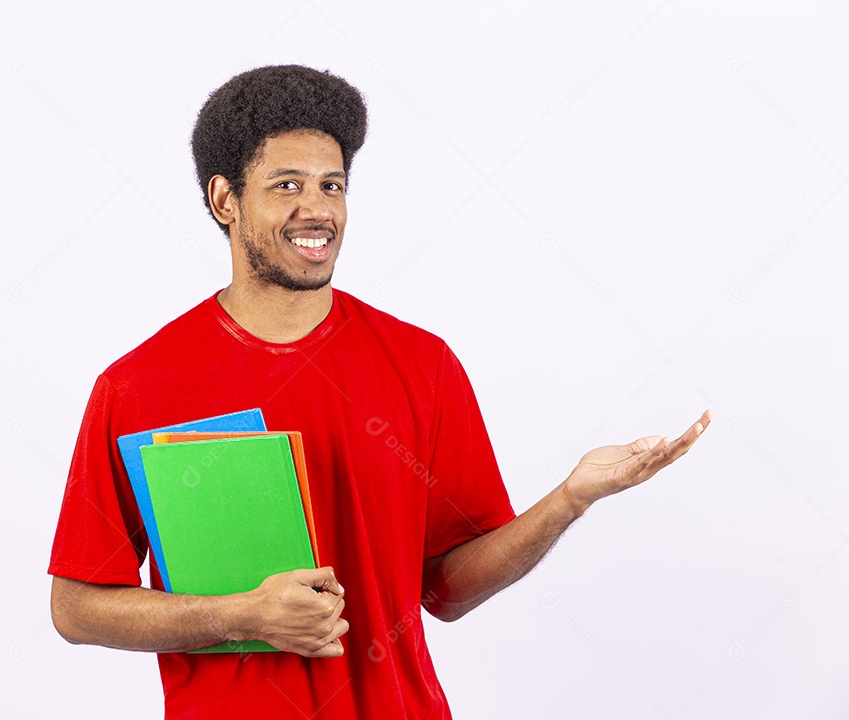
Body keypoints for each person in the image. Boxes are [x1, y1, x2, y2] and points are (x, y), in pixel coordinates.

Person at [48, 64, 712, 719]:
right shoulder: (138, 385)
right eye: (287, 185)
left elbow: (448, 587)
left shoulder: (422, 365)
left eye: (332, 185)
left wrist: (569, 500)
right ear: (225, 199)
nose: (318, 210)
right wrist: (240, 616)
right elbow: (75, 607)